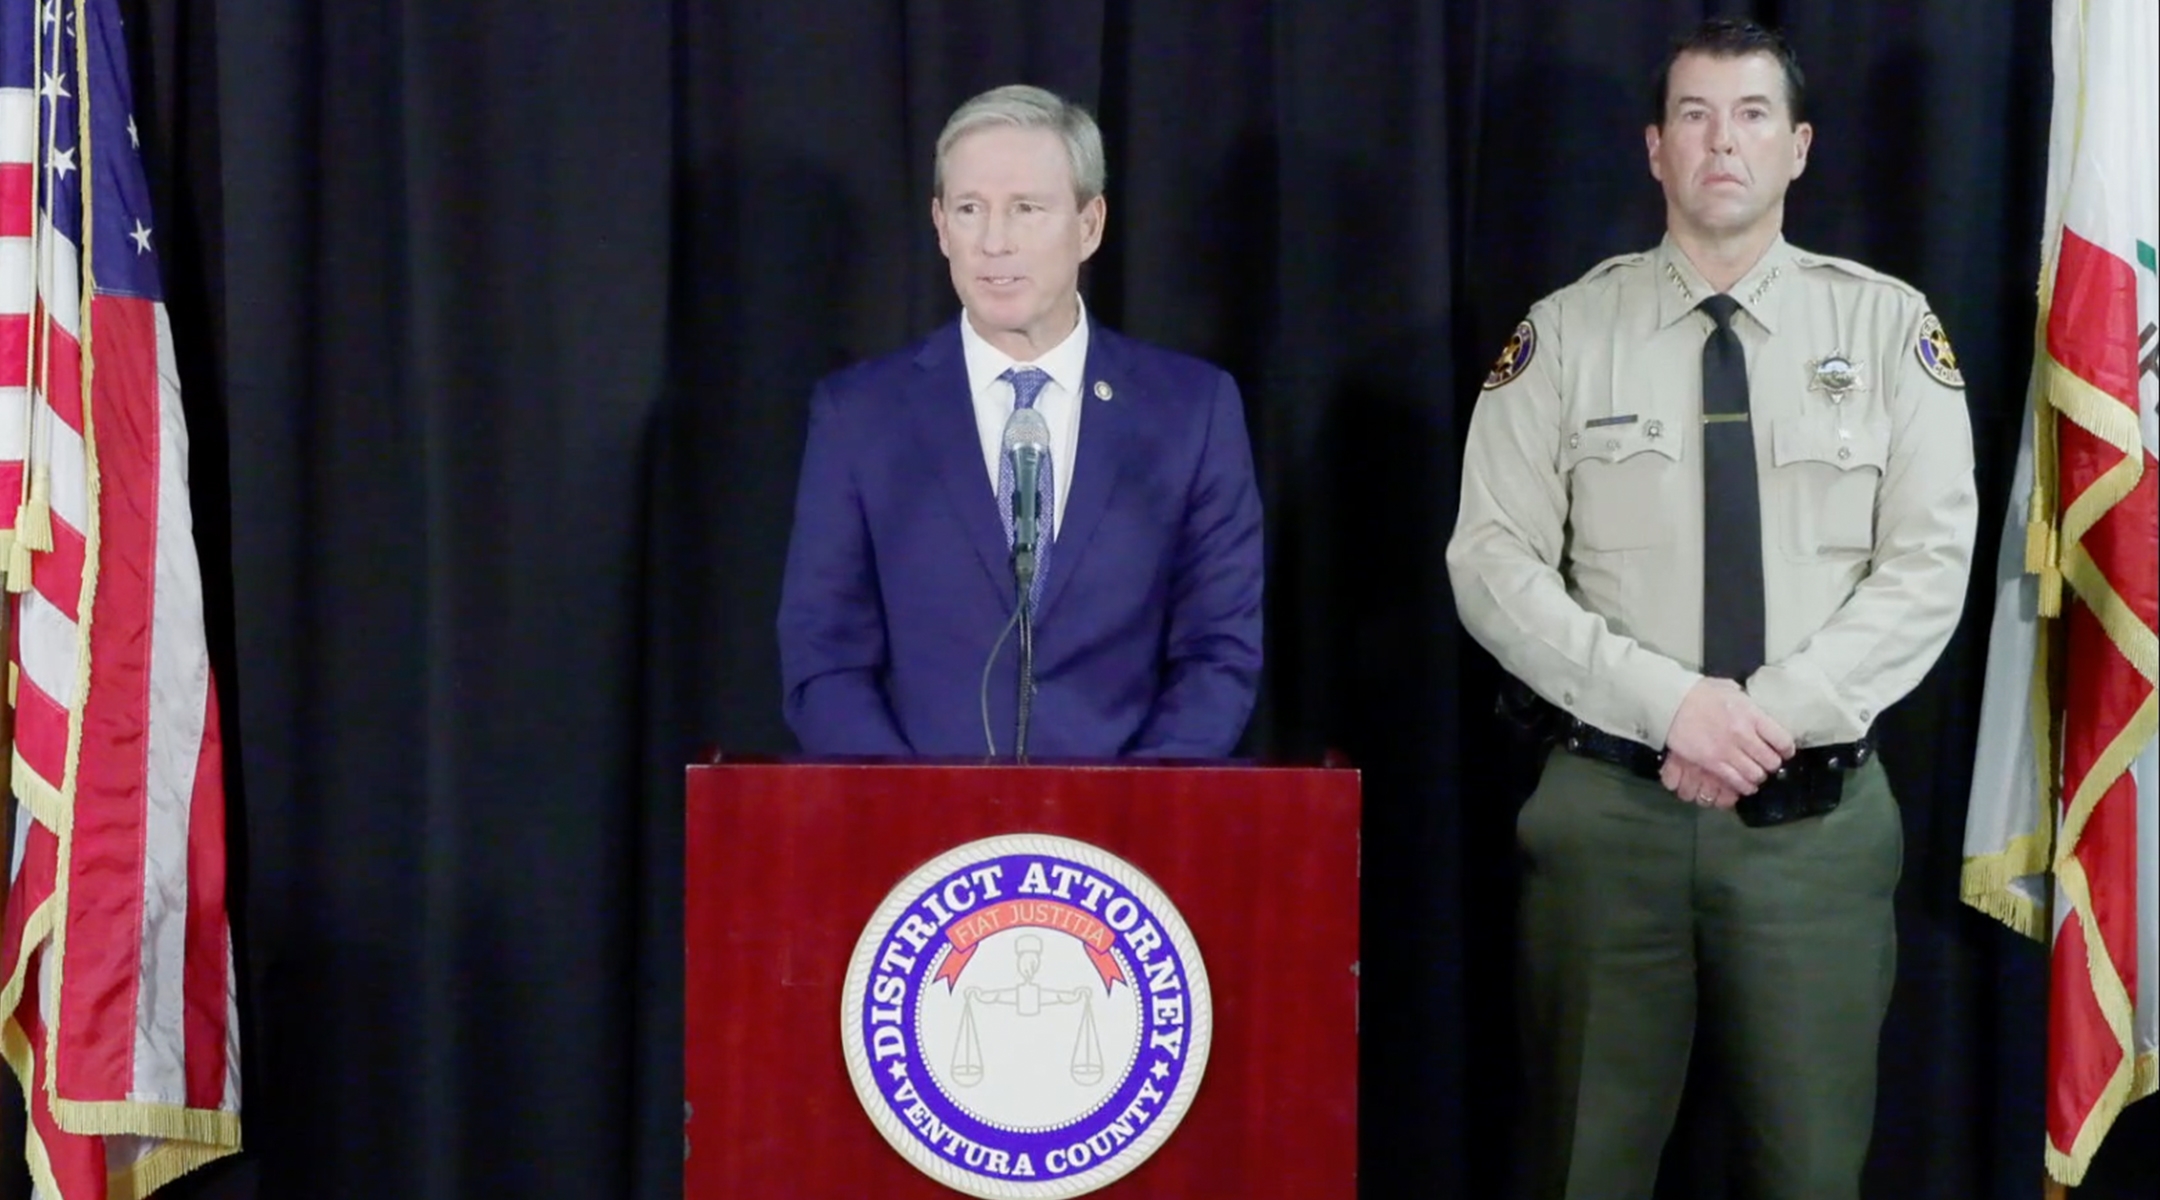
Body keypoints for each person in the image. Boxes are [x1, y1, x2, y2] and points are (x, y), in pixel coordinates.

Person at [1446, 18, 1976, 1197]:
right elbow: (1491, 561)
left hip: (1815, 827)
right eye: (1693, 115)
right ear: (1652, 149)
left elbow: (1930, 566)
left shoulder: (1890, 330)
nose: (1719, 142)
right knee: (1583, 1167)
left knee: (1810, 1172)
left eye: (1749, 116)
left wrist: (1765, 715)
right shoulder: (1568, 334)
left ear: (1798, 148)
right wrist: (1672, 706)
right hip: (1608, 814)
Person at [777, 84, 1264, 760]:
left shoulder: (1192, 411)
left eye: (1026, 209)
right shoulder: (860, 415)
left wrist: (1138, 814)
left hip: (1124, 843)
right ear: (940, 224)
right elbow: (824, 653)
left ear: (1089, 225)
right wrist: (907, 813)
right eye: (970, 209)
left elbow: (1218, 651)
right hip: (917, 842)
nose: (994, 242)